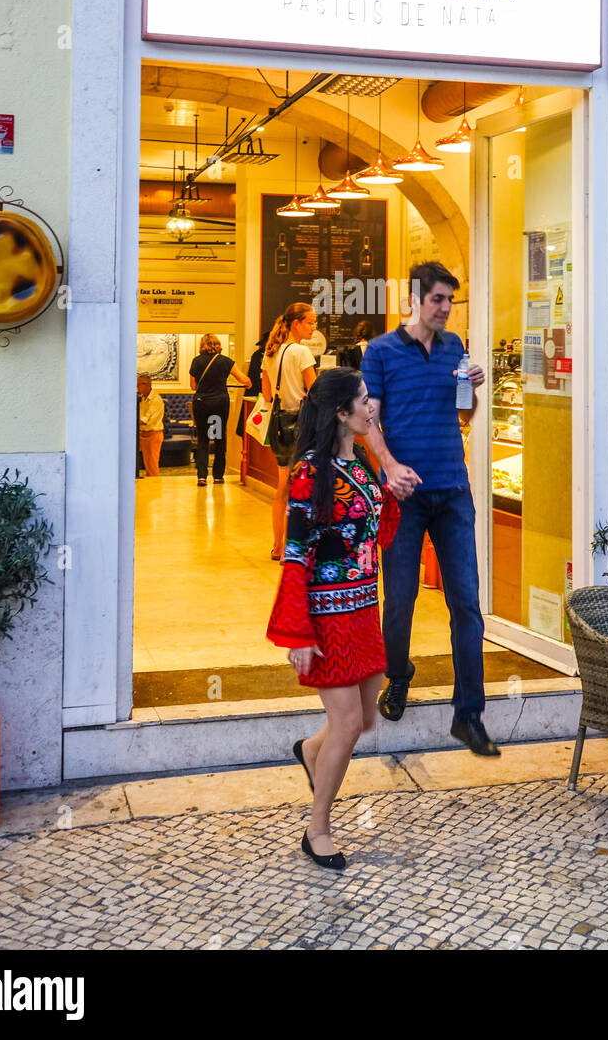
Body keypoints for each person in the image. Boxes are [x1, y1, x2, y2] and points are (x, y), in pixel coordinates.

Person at [360, 261, 499, 757]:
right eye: (438, 299)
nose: (445, 309)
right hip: (403, 497)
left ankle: (469, 716)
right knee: (399, 601)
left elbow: (464, 415)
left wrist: (474, 390)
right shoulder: (379, 352)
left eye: (450, 301)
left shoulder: (455, 348)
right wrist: (390, 466)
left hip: (452, 491)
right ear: (416, 300)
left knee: (466, 604)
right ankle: (398, 676)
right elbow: (367, 422)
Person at [266, 368, 399, 870]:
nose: (373, 407)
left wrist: (389, 484)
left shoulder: (361, 462)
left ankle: (308, 751)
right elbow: (296, 553)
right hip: (326, 616)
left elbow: (378, 535)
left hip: (365, 609)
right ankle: (317, 829)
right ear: (341, 413)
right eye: (364, 402)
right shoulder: (308, 472)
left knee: (364, 720)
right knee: (346, 725)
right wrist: (297, 630)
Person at [261, 303, 318, 559]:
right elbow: (315, 391)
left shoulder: (270, 352)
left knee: (282, 487)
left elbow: (265, 394)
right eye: (310, 322)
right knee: (300, 488)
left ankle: (278, 546)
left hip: (278, 425)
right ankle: (294, 549)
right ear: (296, 323)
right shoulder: (302, 353)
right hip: (300, 425)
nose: (314, 328)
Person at [189, 333, 250, 487]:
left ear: (202, 346)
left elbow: (193, 386)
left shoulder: (196, 361)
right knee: (218, 438)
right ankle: (217, 476)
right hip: (218, 404)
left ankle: (201, 476)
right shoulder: (225, 361)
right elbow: (244, 380)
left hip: (201, 403)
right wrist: (248, 383)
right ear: (218, 345)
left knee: (202, 438)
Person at [137, 373, 165, 477]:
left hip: (153, 434)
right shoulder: (142, 399)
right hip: (143, 434)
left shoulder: (155, 399)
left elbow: (145, 419)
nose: (137, 388)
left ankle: (154, 488)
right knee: (146, 463)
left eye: (138, 385)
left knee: (152, 465)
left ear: (146, 385)